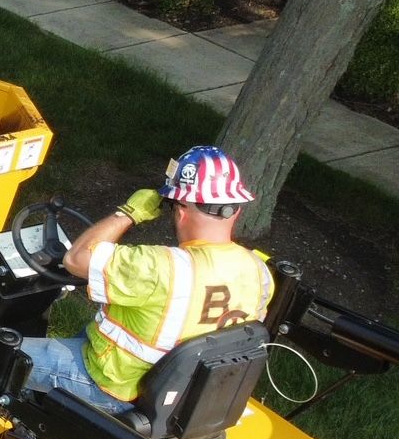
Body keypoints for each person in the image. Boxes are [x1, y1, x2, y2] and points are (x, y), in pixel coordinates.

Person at [22, 146, 275, 415]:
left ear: (180, 210)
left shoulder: (160, 267)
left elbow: (76, 259)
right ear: (235, 210)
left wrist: (128, 212)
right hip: (180, 394)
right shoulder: (259, 271)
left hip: (113, 388)